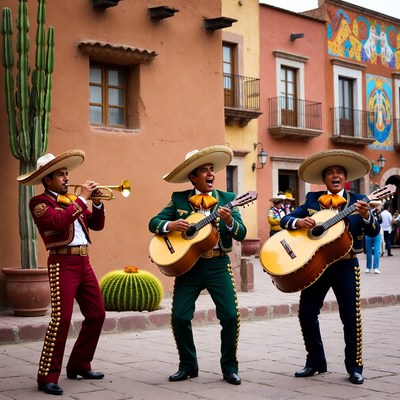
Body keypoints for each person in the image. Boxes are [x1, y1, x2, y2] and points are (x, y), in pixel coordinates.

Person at [280, 149, 380, 385]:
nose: (335, 176)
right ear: (324, 179)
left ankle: (355, 367)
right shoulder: (312, 200)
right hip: (316, 266)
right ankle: (315, 361)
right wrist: (298, 222)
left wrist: (367, 217)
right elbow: (286, 219)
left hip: (346, 266)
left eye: (340, 172)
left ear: (346, 179)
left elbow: (373, 231)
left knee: (350, 317)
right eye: (330, 173)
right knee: (306, 313)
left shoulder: (359, 201)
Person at [148, 145, 247, 385]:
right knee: (180, 316)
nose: (210, 174)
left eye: (212, 169)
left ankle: (229, 368)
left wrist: (230, 220)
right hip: (188, 266)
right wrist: (170, 226)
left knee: (231, 316)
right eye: (204, 170)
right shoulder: (179, 199)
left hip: (218, 265)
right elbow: (154, 222)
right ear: (193, 176)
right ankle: (188, 365)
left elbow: (241, 233)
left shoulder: (229, 199)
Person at [17, 150, 106, 396]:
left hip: (83, 262)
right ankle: (47, 375)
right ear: (47, 180)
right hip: (61, 263)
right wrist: (82, 200)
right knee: (62, 319)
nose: (67, 178)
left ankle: (79, 364)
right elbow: (57, 223)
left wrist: (96, 203)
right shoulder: (39, 203)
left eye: (67, 174)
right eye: (61, 175)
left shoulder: (70, 201)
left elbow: (96, 225)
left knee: (97, 313)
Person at [365, 200, 383, 273]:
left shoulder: (377, 212)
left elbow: (381, 221)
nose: (370, 206)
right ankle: (368, 267)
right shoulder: (366, 211)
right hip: (368, 234)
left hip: (377, 233)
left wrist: (376, 219)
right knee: (368, 252)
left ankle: (376, 267)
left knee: (377, 251)